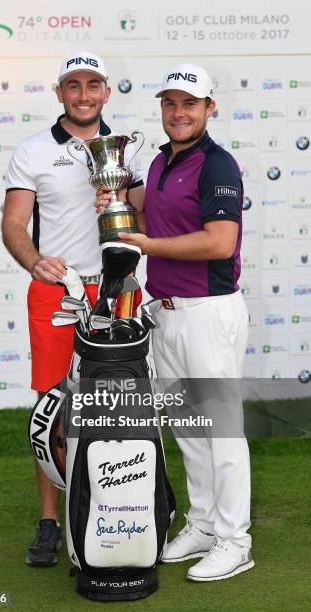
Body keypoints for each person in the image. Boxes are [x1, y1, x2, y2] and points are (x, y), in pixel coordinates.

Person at [96, 62, 253, 582]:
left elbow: (218, 241)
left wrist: (148, 245)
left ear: (210, 108)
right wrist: (116, 202)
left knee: (223, 432)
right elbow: (149, 220)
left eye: (189, 103)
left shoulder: (218, 165)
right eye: (170, 103)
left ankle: (235, 539)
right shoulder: (161, 161)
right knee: (189, 429)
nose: (178, 112)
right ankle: (204, 523)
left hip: (209, 312)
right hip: (165, 313)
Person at [1, 51, 144, 567]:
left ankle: (116, 508)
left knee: (118, 401)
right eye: (73, 86)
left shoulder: (123, 150)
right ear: (59, 93)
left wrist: (121, 204)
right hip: (57, 290)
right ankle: (49, 522)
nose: (83, 95)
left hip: (118, 286)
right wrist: (35, 260)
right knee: (51, 406)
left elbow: (149, 217)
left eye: (93, 85)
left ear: (107, 91)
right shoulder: (34, 149)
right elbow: (14, 222)